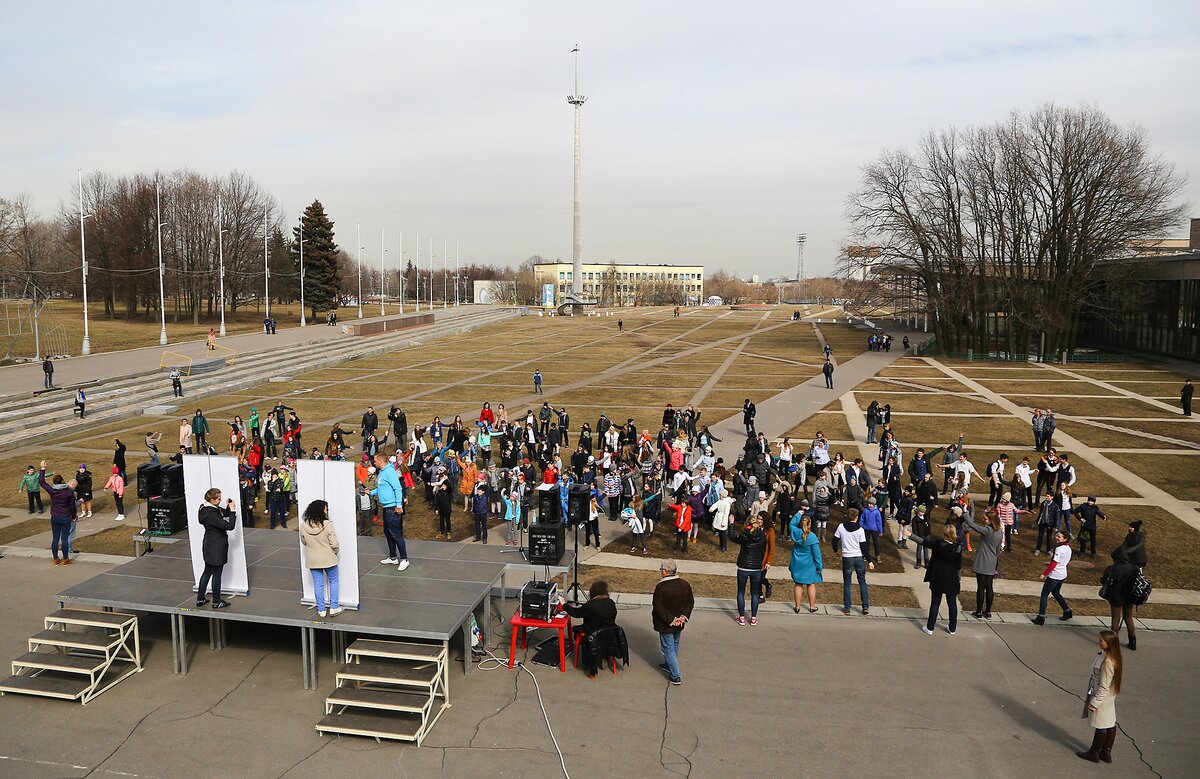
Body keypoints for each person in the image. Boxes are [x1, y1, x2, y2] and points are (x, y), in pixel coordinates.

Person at [1077, 630, 1123, 763]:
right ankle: (1106, 752)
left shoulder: (1107, 661)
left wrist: (1095, 702)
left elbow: (1104, 685)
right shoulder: (1112, 656)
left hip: (1102, 696)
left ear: (1109, 643)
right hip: (1108, 696)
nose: (1099, 642)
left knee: (1101, 724)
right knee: (1109, 722)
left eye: (1101, 640)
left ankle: (1094, 752)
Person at [560, 580, 618, 678]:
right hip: (609, 632)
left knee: (576, 630)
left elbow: (575, 613)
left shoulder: (590, 605)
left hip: (592, 634)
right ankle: (603, 656)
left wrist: (564, 604)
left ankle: (590, 659)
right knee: (601, 635)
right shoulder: (611, 603)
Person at [913, 523, 962, 635]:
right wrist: (958, 578)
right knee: (952, 604)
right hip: (952, 578)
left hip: (938, 577)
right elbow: (958, 566)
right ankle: (952, 628)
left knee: (935, 602)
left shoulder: (938, 544)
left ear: (944, 533)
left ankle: (930, 627)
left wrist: (911, 535)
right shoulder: (958, 548)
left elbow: (924, 542)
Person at [652, 560, 693, 686]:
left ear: (665, 571)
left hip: (666, 624)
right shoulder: (685, 584)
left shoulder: (661, 587)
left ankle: (675, 676)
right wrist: (683, 617)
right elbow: (690, 602)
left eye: (661, 569)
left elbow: (658, 607)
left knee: (668, 648)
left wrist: (671, 620)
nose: (660, 571)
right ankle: (668, 664)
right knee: (674, 644)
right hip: (680, 623)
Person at [196, 487, 237, 609]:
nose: (220, 501)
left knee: (207, 571)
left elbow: (223, 513)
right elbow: (229, 526)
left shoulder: (206, 509)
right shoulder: (212, 514)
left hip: (209, 544)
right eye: (219, 499)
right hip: (217, 547)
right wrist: (233, 511)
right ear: (212, 500)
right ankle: (216, 601)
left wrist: (229, 508)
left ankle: (200, 598)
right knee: (217, 574)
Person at [301, 499, 342, 617]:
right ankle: (334, 607)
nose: (326, 511)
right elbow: (335, 544)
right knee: (334, 581)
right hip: (329, 558)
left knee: (318, 585)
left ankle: (321, 610)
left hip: (313, 560)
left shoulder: (303, 526)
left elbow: (304, 542)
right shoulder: (327, 525)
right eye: (325, 509)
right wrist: (335, 552)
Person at [729, 512, 768, 626]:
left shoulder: (744, 534)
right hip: (756, 567)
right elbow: (763, 550)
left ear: (747, 523)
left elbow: (732, 537)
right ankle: (753, 618)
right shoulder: (762, 536)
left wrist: (731, 524)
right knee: (755, 593)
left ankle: (741, 617)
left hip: (743, 566)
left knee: (741, 592)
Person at [371, 453, 409, 570]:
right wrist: (371, 492)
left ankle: (404, 559)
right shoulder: (382, 472)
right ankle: (393, 557)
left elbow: (397, 488)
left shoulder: (389, 472)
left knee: (396, 534)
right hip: (386, 508)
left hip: (393, 508)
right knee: (388, 532)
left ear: (380, 461)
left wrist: (398, 505)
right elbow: (381, 488)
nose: (374, 463)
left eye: (375, 461)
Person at [832, 508, 873, 615]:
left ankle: (847, 607)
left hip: (847, 557)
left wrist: (836, 551)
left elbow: (834, 541)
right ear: (857, 517)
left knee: (847, 582)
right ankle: (865, 606)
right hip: (859, 557)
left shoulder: (841, 527)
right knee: (862, 581)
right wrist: (869, 561)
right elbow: (864, 547)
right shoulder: (860, 530)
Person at [964, 507, 1003, 619]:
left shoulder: (987, 531)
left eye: (985, 519)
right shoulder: (999, 532)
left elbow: (972, 524)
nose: (983, 520)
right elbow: (998, 550)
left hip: (982, 561)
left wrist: (965, 512)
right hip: (992, 561)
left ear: (991, 521)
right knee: (989, 587)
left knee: (981, 587)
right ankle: (988, 611)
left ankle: (979, 611)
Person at [1100, 546, 1139, 650]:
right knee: (1128, 618)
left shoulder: (1112, 569)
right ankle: (1132, 641)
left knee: (1115, 620)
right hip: (1129, 597)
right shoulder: (1133, 568)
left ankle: (1114, 643)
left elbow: (1103, 581)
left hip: (1116, 597)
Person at [39, 460, 77, 565]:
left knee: (55, 538)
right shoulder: (69, 492)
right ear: (63, 481)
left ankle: (55, 558)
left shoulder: (52, 491)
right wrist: (74, 516)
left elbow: (42, 482)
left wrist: (42, 468)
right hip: (65, 516)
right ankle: (65, 559)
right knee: (64, 538)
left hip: (55, 516)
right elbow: (72, 506)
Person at [1033, 530, 1073, 625]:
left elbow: (1054, 564)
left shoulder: (1059, 549)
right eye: (1056, 535)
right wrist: (1051, 563)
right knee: (1056, 592)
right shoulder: (1068, 548)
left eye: (1059, 536)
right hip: (1063, 574)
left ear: (1065, 539)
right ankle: (1067, 611)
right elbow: (1062, 561)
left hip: (1055, 575)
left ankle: (1041, 617)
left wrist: (1044, 574)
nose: (1056, 537)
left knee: (1044, 595)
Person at [789, 512, 822, 614]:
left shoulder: (795, 532)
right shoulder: (812, 537)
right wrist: (819, 566)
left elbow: (791, 524)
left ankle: (797, 606)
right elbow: (817, 554)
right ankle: (812, 606)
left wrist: (798, 514)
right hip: (809, 565)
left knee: (798, 584)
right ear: (810, 524)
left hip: (797, 564)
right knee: (810, 584)